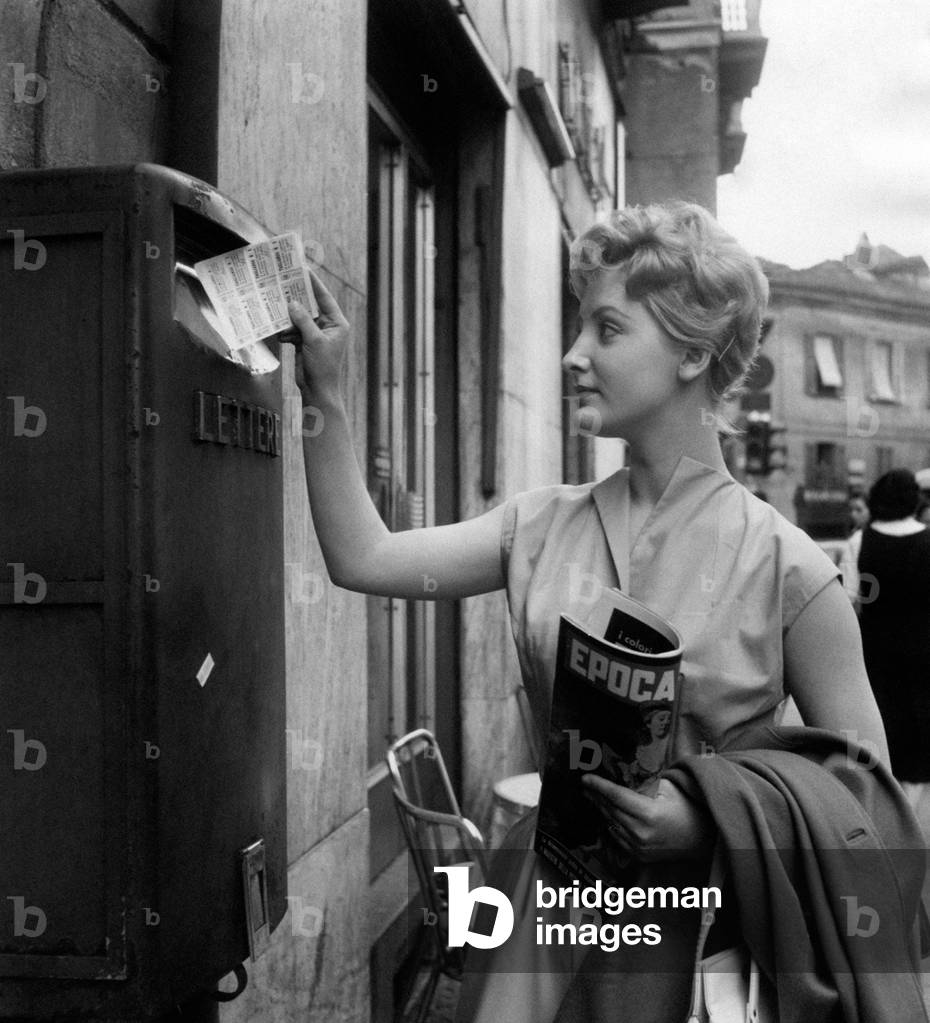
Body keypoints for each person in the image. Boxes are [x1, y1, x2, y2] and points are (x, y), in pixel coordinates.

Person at [287, 202, 913, 1022]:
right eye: (582, 327)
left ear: (694, 349)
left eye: (607, 330)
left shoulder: (790, 565)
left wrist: (710, 814)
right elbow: (362, 557)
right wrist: (323, 388)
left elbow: (869, 811)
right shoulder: (537, 525)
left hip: (708, 960)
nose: (573, 355)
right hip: (545, 933)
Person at [858, 469, 930, 836]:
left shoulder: (861, 541)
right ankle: (912, 823)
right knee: (919, 735)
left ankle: (883, 815)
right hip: (922, 653)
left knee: (882, 727)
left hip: (875, 652)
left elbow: (851, 599)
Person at [839, 492, 870, 609]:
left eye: (859, 510)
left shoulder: (857, 539)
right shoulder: (855, 537)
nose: (853, 514)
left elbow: (849, 586)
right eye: (851, 510)